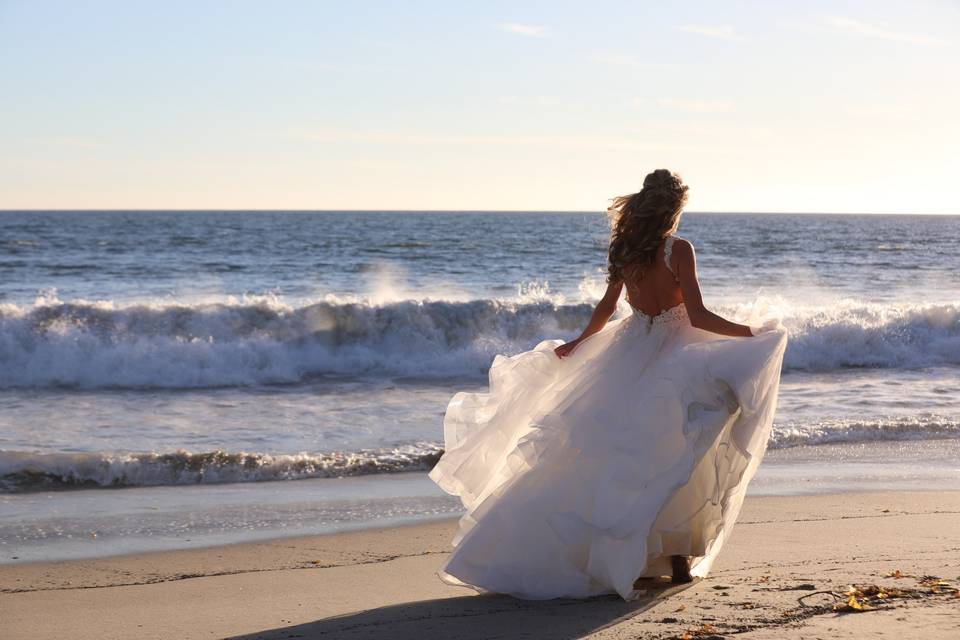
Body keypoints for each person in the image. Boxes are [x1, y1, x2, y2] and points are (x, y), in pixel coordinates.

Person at [429, 169, 788, 601]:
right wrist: (753, 333)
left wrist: (581, 342)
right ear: (674, 210)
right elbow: (698, 318)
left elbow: (607, 306)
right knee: (680, 449)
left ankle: (640, 555)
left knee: (612, 457)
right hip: (677, 354)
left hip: (628, 351)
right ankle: (672, 556)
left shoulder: (626, 250)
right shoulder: (679, 250)